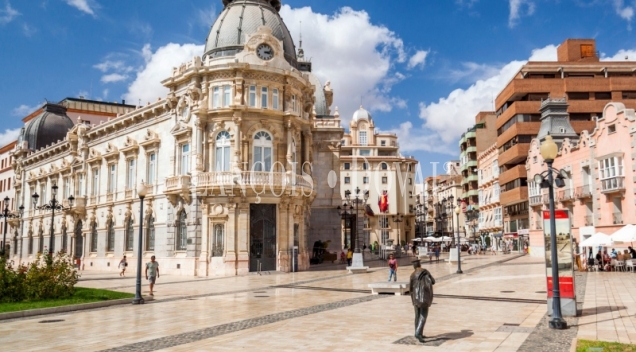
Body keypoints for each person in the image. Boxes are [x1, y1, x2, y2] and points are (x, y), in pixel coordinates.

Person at [409, 259, 435, 343]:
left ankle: (418, 332)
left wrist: (413, 298)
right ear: (419, 264)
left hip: (415, 298)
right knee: (423, 316)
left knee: (417, 316)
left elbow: (410, 288)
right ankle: (418, 333)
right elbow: (433, 281)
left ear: (414, 266)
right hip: (423, 297)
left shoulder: (412, 275)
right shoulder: (425, 272)